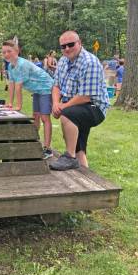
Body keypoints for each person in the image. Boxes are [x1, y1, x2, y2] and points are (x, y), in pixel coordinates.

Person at [49, 30, 109, 171]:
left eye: (71, 44)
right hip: (76, 107)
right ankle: (88, 182)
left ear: (80, 43)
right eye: (63, 46)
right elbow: (56, 85)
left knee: (67, 115)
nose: (67, 48)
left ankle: (69, 158)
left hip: (94, 107)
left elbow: (85, 96)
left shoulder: (90, 62)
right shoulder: (63, 61)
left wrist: (63, 108)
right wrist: (56, 104)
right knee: (79, 150)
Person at [1, 39, 54, 159]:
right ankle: (33, 142)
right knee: (36, 115)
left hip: (46, 88)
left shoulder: (22, 64)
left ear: (17, 51)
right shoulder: (10, 65)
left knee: (45, 117)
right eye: (4, 52)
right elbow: (11, 84)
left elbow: (19, 87)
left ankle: (47, 149)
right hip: (37, 91)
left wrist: (18, 106)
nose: (6, 54)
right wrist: (9, 103)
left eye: (9, 51)